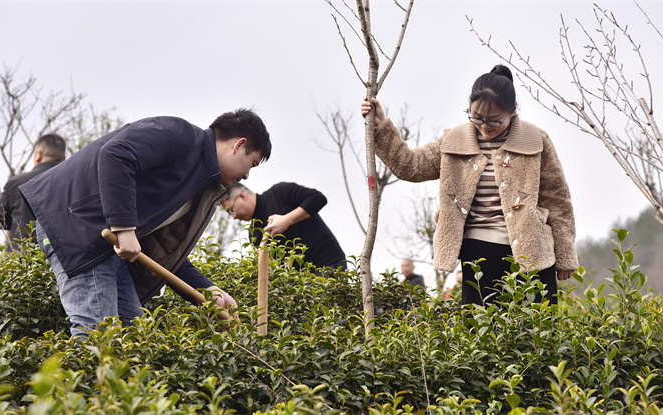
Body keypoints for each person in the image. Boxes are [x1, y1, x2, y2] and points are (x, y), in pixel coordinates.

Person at [19, 110, 271, 337]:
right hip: (77, 226)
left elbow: (164, 250)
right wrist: (124, 227)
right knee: (98, 337)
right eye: (253, 163)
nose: (248, 175)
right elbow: (116, 154)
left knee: (134, 339)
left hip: (107, 243)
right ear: (239, 145)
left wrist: (208, 291)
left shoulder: (197, 183)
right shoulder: (180, 135)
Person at [361, 64, 578, 306]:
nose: (484, 126)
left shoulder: (535, 139)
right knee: (481, 334)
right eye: (476, 117)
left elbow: (557, 199)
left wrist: (565, 256)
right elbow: (411, 165)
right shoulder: (454, 139)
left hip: (533, 253)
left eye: (495, 121)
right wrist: (381, 128)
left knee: (538, 333)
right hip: (479, 254)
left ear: (513, 110)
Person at [223, 182, 347, 273]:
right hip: (301, 284)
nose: (234, 217)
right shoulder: (254, 233)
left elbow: (318, 198)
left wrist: (287, 220)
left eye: (231, 210)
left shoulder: (279, 193)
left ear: (242, 196)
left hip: (329, 265)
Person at [0, 134, 66, 252]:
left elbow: (0, 220)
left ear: (38, 155)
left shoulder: (16, 182)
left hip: (20, 262)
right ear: (63, 158)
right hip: (61, 259)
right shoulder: (72, 182)